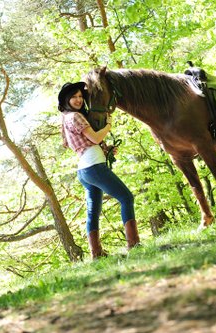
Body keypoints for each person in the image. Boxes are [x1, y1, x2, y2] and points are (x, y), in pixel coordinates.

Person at [58, 81, 140, 259]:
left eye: (80, 96)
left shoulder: (66, 119)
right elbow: (95, 138)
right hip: (94, 166)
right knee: (126, 197)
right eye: (74, 97)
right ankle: (134, 244)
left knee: (93, 212)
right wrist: (108, 125)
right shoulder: (75, 117)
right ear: (66, 99)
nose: (78, 100)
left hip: (85, 170)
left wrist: (107, 149)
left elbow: (87, 143)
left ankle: (97, 254)